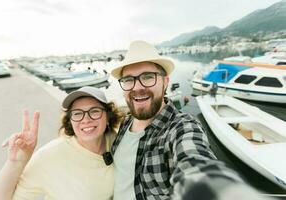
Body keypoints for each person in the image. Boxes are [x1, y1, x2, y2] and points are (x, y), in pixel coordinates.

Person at [110, 40, 273, 200]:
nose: (137, 87)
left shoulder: (181, 127)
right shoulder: (125, 122)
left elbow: (195, 165)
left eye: (147, 77)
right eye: (128, 80)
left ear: (165, 82)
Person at [0, 86, 124, 200]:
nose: (86, 119)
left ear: (108, 117)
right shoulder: (50, 156)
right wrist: (15, 162)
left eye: (94, 111)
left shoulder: (116, 141)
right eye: (77, 113)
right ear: (70, 121)